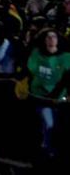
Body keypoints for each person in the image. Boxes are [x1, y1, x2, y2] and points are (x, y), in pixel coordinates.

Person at [27, 29, 70, 159]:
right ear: (44, 40)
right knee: (49, 123)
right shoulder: (36, 54)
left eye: (54, 37)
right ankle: (47, 145)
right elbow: (30, 71)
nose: (51, 39)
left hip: (58, 98)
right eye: (48, 37)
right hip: (40, 96)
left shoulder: (66, 57)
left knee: (57, 124)